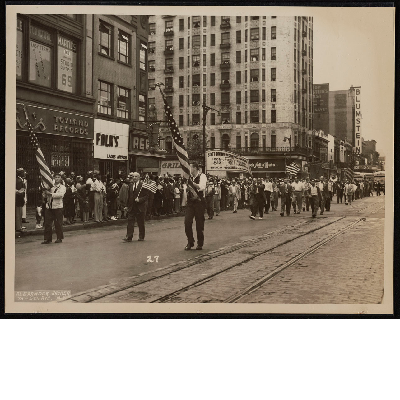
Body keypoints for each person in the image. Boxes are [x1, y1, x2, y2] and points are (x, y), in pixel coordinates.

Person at [184, 162, 207, 250]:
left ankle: (200, 243)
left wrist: (192, 183)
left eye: (191, 168)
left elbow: (201, 187)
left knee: (199, 223)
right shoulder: (188, 177)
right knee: (187, 222)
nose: (189, 170)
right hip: (190, 202)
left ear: (195, 168)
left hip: (199, 202)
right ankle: (190, 241)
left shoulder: (202, 176)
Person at [123, 172, 149, 242]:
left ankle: (141, 236)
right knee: (130, 222)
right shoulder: (130, 186)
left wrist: (140, 199)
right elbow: (129, 197)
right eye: (133, 177)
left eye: (136, 177)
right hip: (132, 207)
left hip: (140, 207)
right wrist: (126, 206)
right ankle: (129, 236)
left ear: (139, 177)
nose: (134, 178)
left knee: (140, 223)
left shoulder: (143, 185)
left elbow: (146, 196)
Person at [42, 173, 66, 244]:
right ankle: (47, 239)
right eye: (56, 177)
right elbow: (45, 196)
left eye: (58, 177)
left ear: (61, 179)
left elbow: (60, 195)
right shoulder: (50, 186)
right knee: (47, 223)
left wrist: (51, 194)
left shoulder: (62, 187)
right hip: (49, 206)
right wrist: (45, 192)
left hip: (58, 207)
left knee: (58, 223)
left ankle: (59, 238)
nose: (57, 178)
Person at [15, 168, 26, 233]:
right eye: (23, 172)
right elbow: (20, 191)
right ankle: (18, 227)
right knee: (18, 213)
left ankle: (19, 226)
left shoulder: (19, 180)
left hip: (19, 197)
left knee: (19, 213)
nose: (24, 173)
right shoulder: (19, 181)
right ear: (20, 173)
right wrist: (22, 199)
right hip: (19, 198)